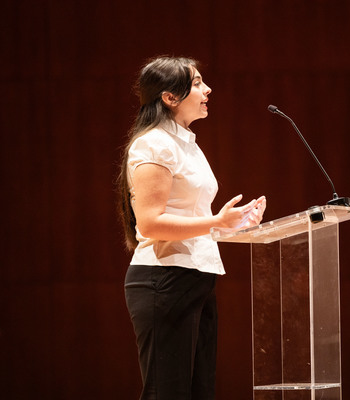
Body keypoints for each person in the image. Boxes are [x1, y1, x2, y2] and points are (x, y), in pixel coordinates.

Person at [117, 56, 266, 400]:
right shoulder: (154, 143)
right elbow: (151, 223)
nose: (207, 89)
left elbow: (190, 218)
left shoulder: (187, 143)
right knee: (167, 393)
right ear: (170, 97)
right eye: (197, 83)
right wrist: (216, 221)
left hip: (195, 277)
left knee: (199, 392)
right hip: (164, 279)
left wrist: (232, 226)